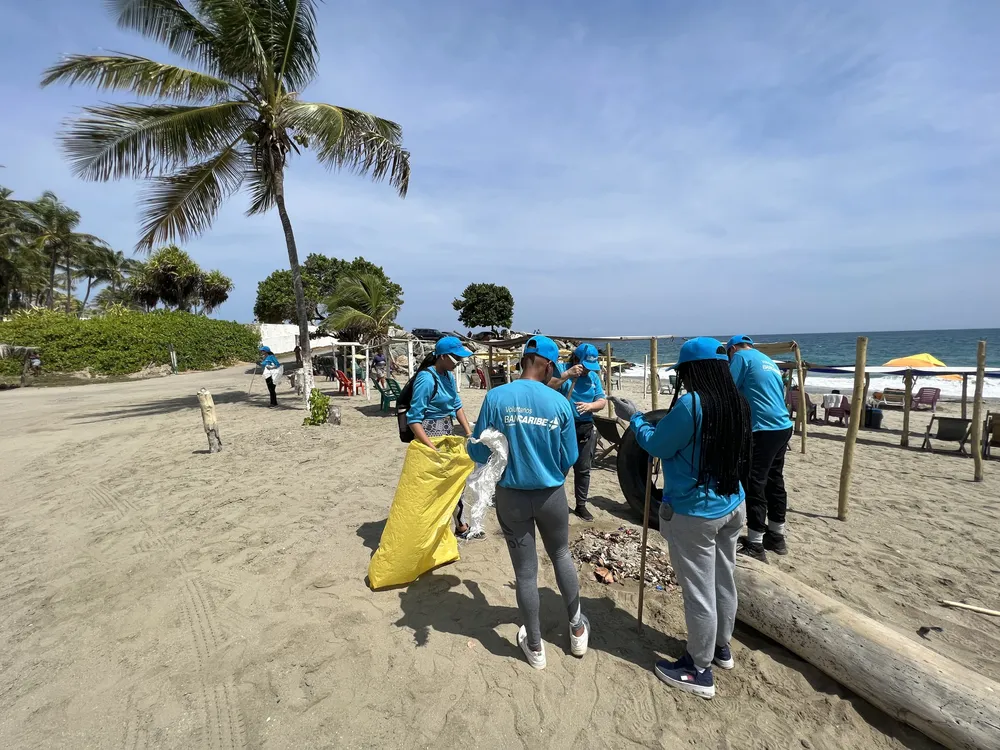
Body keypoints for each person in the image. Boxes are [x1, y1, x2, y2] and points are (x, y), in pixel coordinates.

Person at [611, 337, 751, 699]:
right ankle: (721, 648)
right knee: (724, 580)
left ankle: (699, 669)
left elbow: (657, 444)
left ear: (693, 370)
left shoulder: (692, 403)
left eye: (683, 372)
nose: (681, 379)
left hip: (697, 513)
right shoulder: (736, 400)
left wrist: (634, 418)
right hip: (733, 503)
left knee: (699, 592)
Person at [469, 336, 589, 669]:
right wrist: (549, 471)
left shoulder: (496, 396)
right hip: (551, 495)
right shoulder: (559, 402)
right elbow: (570, 456)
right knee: (561, 554)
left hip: (512, 496)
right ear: (548, 365)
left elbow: (479, 450)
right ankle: (577, 630)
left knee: (525, 573)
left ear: (524, 360)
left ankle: (535, 647)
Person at [726, 335, 795, 561]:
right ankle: (776, 536)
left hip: (762, 429)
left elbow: (728, 389)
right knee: (775, 480)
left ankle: (755, 543)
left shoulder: (740, 358)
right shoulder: (767, 360)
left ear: (732, 349)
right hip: (783, 426)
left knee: (754, 482)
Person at [405, 336, 475, 536]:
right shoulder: (427, 379)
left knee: (454, 482)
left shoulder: (448, 377)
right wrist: (431, 448)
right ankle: (428, 531)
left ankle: (460, 525)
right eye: (456, 358)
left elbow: (457, 405)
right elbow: (414, 419)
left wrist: (469, 433)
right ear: (443, 356)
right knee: (432, 487)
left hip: (447, 435)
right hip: (429, 438)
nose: (459, 362)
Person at [548, 343, 607, 521]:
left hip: (585, 427)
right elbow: (547, 387)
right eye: (585, 366)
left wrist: (590, 406)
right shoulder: (561, 369)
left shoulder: (593, 377)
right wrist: (567, 374)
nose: (587, 370)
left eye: (591, 367)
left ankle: (581, 505)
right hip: (564, 426)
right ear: (576, 359)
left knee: (583, 468)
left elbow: (602, 401)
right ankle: (553, 503)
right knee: (561, 466)